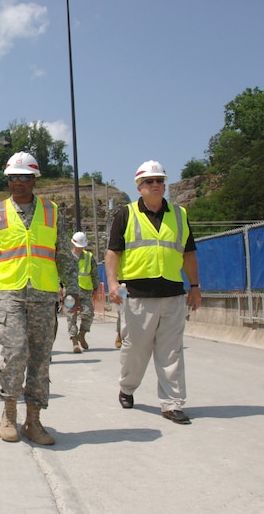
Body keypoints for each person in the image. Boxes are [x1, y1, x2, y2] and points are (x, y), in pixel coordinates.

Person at [0, 151, 79, 445]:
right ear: (8, 180)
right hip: (10, 294)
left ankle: (33, 420)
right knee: (15, 350)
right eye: (13, 177)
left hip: (44, 295)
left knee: (40, 359)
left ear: (34, 180)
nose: (18, 182)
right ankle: (9, 413)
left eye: (24, 177)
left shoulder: (52, 212)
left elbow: (64, 255)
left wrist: (73, 289)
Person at [105, 160, 202, 425]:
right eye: (150, 181)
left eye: (160, 180)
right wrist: (112, 284)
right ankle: (127, 387)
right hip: (137, 295)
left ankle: (172, 404)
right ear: (139, 187)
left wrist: (194, 286)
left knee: (171, 351)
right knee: (135, 350)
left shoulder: (179, 215)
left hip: (172, 293)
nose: (156, 185)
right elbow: (113, 252)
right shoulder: (125, 214)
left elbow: (189, 254)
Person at [67, 231, 99, 354]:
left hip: (85, 289)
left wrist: (96, 288)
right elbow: (60, 271)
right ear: (73, 244)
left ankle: (82, 334)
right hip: (70, 289)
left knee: (88, 314)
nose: (81, 248)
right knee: (71, 316)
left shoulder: (89, 257)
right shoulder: (68, 256)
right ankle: (75, 342)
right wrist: (59, 286)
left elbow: (94, 273)